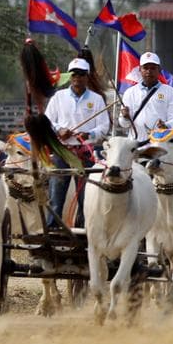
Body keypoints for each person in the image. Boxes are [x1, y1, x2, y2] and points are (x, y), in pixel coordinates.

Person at [45, 58, 110, 228]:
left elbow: (104, 126)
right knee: (56, 194)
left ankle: (84, 231)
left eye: (81, 74)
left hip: (86, 152)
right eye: (74, 74)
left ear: (87, 77)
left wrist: (89, 134)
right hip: (62, 151)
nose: (77, 77)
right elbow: (47, 120)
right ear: (69, 76)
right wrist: (59, 130)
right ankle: (52, 230)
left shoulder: (96, 99)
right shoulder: (58, 97)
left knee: (85, 197)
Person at [118, 52, 173, 142]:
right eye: (145, 68)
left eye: (153, 68)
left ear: (159, 70)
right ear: (140, 69)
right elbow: (124, 124)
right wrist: (125, 117)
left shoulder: (170, 92)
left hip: (160, 143)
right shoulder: (129, 92)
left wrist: (166, 126)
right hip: (136, 143)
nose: (149, 71)